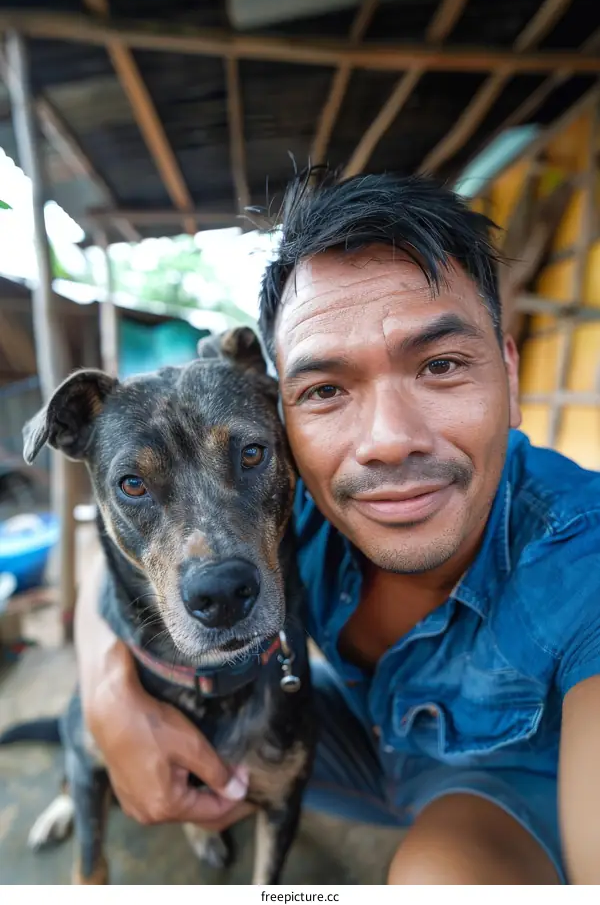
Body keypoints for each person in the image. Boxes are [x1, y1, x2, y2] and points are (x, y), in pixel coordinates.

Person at [76, 170, 600, 884]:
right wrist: (106, 695)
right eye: (325, 389)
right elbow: (117, 553)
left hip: (504, 799)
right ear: (284, 414)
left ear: (509, 377)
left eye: (440, 364)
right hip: (351, 744)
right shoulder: (287, 502)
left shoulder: (581, 559)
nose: (388, 441)